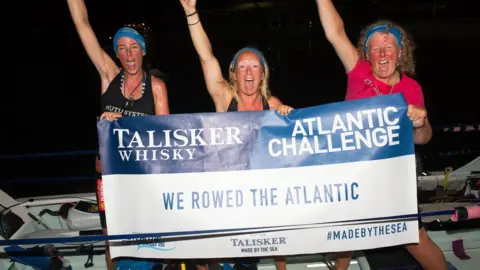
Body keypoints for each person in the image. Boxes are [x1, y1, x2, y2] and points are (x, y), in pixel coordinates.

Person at [314, 1, 446, 270]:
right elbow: (334, 33)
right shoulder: (358, 70)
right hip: (354, 172)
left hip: (392, 177)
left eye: (388, 47)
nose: (382, 53)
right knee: (346, 232)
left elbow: (423, 139)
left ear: (400, 52)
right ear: (367, 54)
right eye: (375, 48)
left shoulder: (411, 88)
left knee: (414, 238)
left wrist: (420, 122)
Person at [179, 0, 292, 270]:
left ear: (263, 74)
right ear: (234, 74)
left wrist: (289, 115)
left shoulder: (272, 104)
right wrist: (191, 12)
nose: (248, 72)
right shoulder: (224, 97)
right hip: (223, 190)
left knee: (267, 241)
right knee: (212, 255)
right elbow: (206, 57)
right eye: (242, 67)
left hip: (257, 193)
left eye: (254, 66)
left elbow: (296, 141)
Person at [67, 0, 169, 269]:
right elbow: (82, 24)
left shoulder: (156, 87)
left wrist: (124, 123)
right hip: (107, 176)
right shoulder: (108, 75)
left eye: (134, 47)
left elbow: (165, 137)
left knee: (145, 232)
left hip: (140, 176)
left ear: (143, 51)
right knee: (111, 237)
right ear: (117, 54)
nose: (128, 53)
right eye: (122, 48)